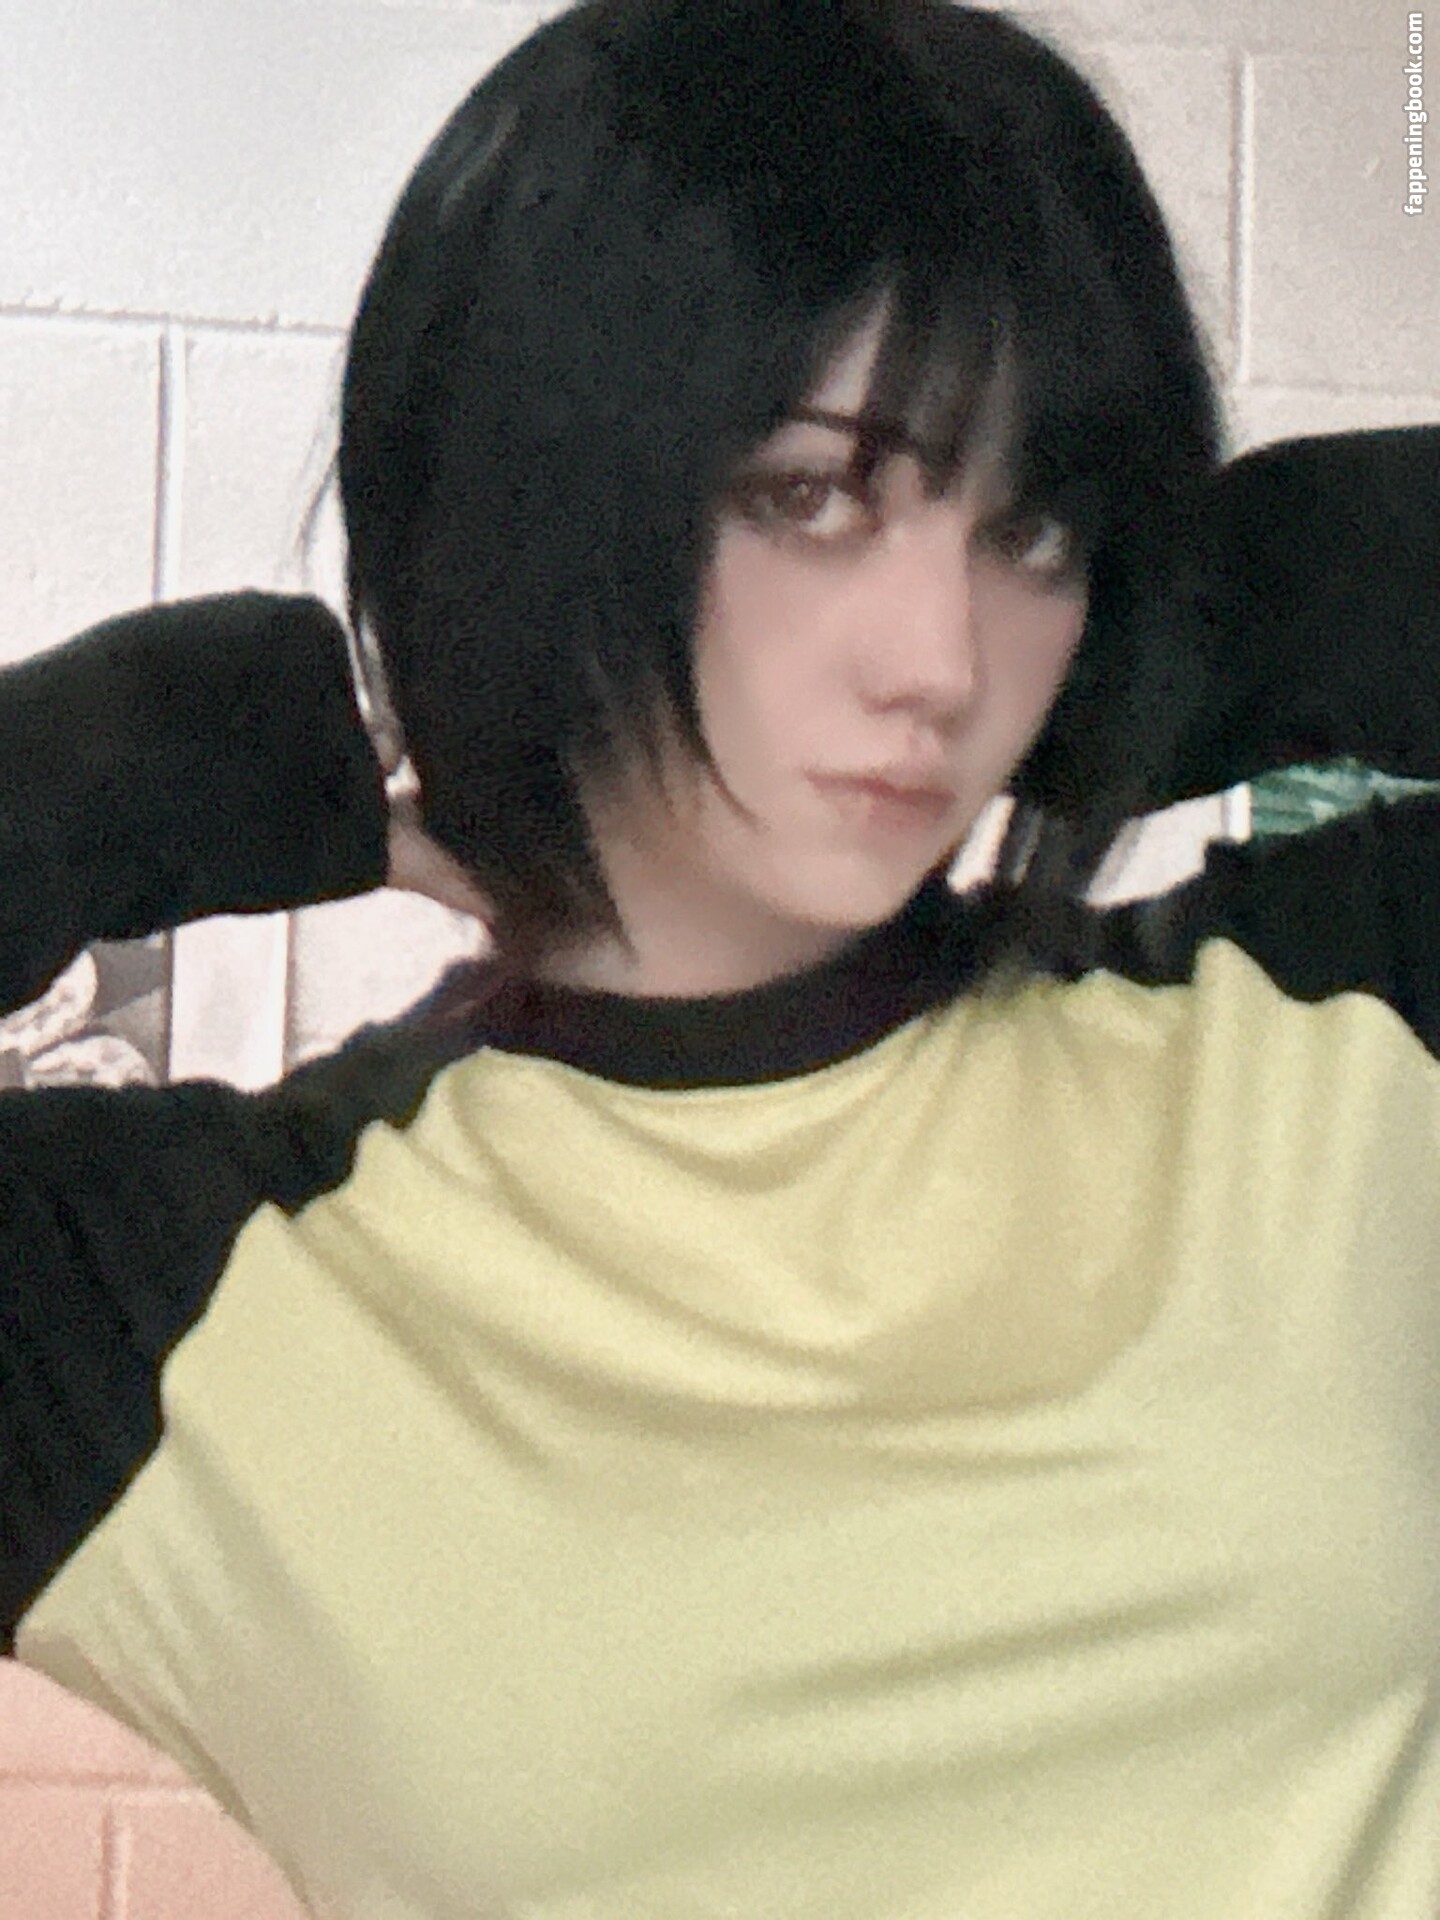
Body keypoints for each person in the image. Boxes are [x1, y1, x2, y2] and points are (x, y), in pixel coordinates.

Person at [2, 0, 1438, 1914]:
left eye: (1033, 526)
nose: (943, 659)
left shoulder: (1326, 1024)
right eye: (813, 496)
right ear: (537, 487)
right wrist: (175, 758)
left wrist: (1212, 623)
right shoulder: (183, 1304)